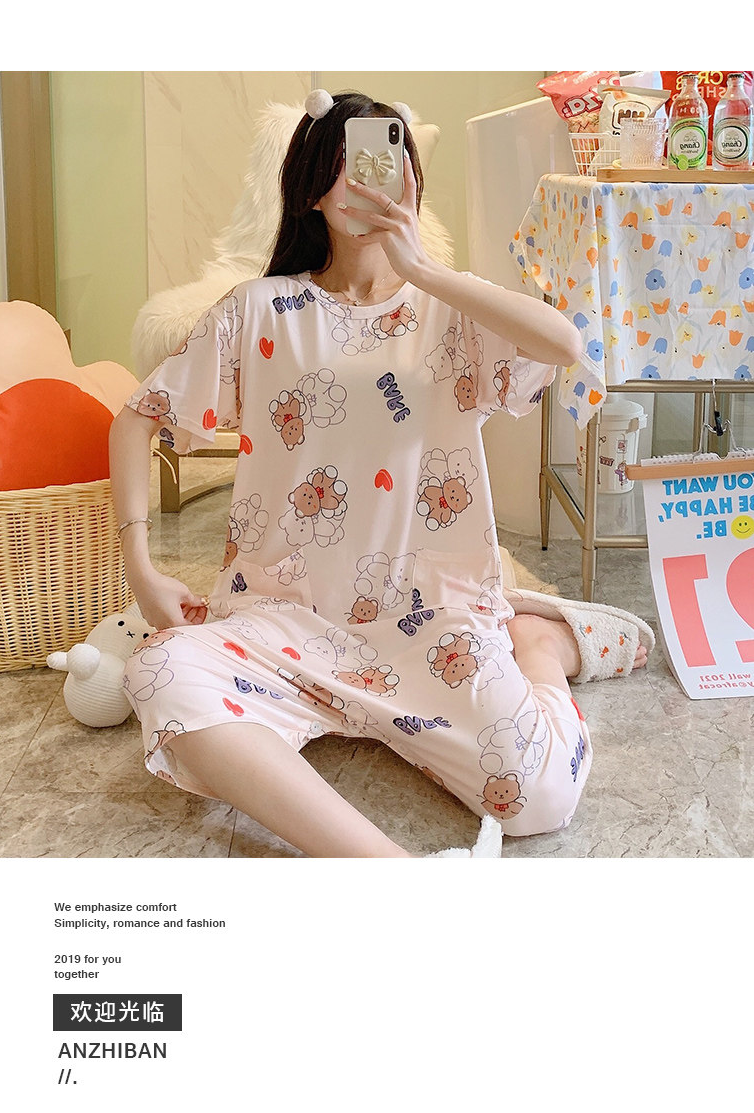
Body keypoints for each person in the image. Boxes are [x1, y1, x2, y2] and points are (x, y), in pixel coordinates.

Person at [109, 90, 653, 859]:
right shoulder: (258, 310)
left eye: (384, 162)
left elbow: (564, 343)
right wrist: (141, 566)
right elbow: (136, 416)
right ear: (312, 189)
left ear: (410, 179)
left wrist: (422, 269)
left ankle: (538, 645)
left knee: (538, 798)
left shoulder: (451, 311)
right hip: (284, 620)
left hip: (428, 622)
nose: (368, 183)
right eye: (346, 165)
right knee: (162, 671)